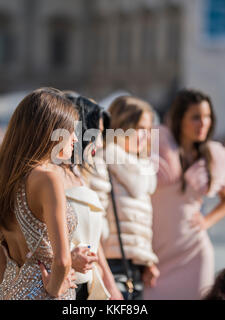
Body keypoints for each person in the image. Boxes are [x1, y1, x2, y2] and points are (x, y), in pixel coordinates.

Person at [0, 88, 79, 300]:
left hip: (10, 291)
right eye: (71, 131)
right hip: (46, 291)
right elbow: (62, 260)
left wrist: (16, 291)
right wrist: (53, 290)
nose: (76, 139)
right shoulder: (48, 178)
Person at [145, 89, 225, 300]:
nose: (203, 123)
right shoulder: (157, 143)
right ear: (180, 119)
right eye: (196, 117)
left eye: (207, 117)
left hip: (195, 251)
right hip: (156, 250)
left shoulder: (212, 156)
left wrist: (206, 222)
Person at [91, 95, 160, 300]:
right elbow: (94, 227)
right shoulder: (102, 161)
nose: (145, 136)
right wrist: (106, 279)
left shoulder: (143, 169)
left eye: (148, 130)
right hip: (108, 268)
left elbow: (134, 225)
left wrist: (145, 260)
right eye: (139, 128)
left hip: (134, 270)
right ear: (121, 127)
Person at [64, 93, 123, 300]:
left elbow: (93, 243)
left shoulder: (81, 175)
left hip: (85, 283)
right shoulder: (49, 177)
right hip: (62, 285)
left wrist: (110, 285)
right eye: (95, 131)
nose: (99, 141)